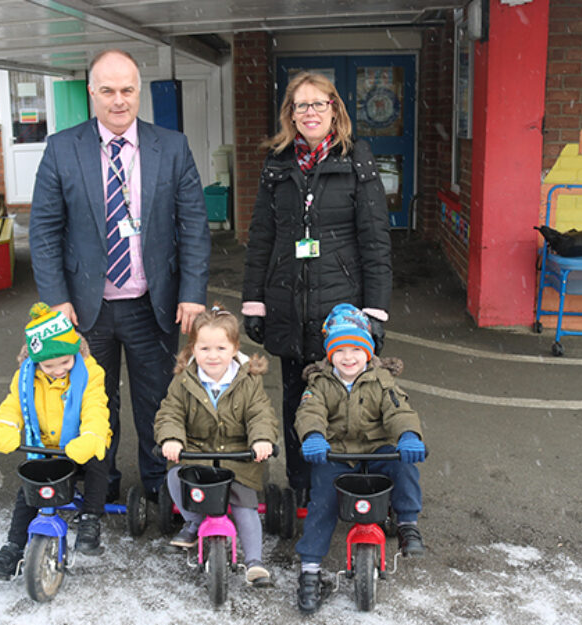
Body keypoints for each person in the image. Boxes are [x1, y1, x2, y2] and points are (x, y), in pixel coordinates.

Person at [29, 49, 211, 503]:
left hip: (154, 304)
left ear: (139, 91)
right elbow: (44, 230)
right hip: (84, 309)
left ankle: (157, 489)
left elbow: (194, 227)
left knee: (157, 402)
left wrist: (191, 293)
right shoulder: (62, 148)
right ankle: (98, 488)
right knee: (93, 404)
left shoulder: (171, 147)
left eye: (127, 90)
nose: (118, 101)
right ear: (92, 93)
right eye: (107, 90)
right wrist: (55, 299)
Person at [241, 71, 391, 504]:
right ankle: (302, 487)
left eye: (317, 104)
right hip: (288, 303)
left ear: (334, 109)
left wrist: (376, 312)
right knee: (297, 402)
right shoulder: (278, 163)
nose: (309, 113)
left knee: (348, 405)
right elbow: (262, 236)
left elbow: (376, 241)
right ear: (291, 113)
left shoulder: (357, 160)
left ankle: (344, 484)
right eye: (300, 105)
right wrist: (255, 302)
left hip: (342, 311)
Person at [293, 303, 426, 613]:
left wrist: (409, 434)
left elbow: (398, 410)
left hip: (378, 448)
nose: (348, 357)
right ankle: (310, 570)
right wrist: (314, 437)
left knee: (403, 464)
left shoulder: (382, 381)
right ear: (329, 354)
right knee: (322, 500)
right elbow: (309, 412)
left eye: (356, 348)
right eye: (340, 350)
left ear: (368, 351)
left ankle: (408, 522)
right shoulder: (320, 383)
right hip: (338, 452)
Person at [0, 302, 112, 579]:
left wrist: (91, 435)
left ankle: (90, 517)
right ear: (36, 360)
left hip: (81, 444)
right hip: (45, 449)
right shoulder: (25, 377)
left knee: (99, 463)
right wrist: (4, 426)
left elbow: (95, 408)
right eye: (49, 365)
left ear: (75, 350)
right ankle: (14, 546)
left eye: (65, 362)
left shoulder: (90, 373)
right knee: (28, 490)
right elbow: (12, 406)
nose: (58, 370)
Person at [153, 306, 279, 586]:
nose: (212, 355)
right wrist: (172, 438)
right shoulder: (184, 381)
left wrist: (261, 439)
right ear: (193, 349)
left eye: (221, 348)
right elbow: (170, 412)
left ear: (234, 348)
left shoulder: (248, 382)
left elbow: (260, 413)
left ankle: (255, 562)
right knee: (176, 476)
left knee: (245, 507)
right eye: (204, 348)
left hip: (238, 456)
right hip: (196, 453)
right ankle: (194, 520)